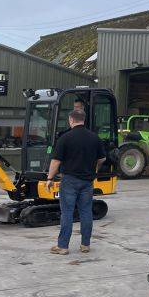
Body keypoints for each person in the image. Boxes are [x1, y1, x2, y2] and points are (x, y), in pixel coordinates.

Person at [46, 109, 105, 255]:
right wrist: (95, 169)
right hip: (87, 181)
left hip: (70, 181)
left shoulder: (65, 138)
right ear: (83, 119)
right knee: (86, 212)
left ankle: (63, 246)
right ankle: (85, 245)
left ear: (71, 120)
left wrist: (50, 178)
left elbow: (56, 161)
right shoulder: (94, 138)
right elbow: (102, 158)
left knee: (67, 213)